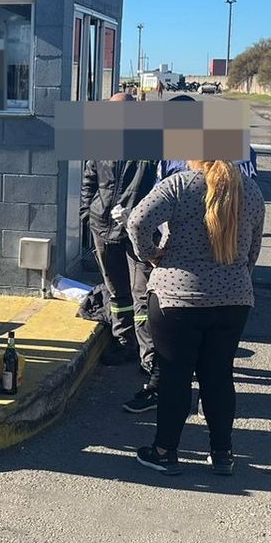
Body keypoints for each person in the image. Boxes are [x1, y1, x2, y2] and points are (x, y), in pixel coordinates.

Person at [126, 158, 266, 475]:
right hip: (233, 300)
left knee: (175, 377)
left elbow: (136, 222)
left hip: (177, 298)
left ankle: (164, 451)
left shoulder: (179, 185)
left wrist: (150, 254)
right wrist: (237, 277)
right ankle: (222, 453)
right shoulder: (252, 191)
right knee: (218, 376)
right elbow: (253, 247)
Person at [79, 92, 157, 380]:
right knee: (116, 291)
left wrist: (138, 215)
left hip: (136, 229)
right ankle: (123, 342)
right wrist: (88, 213)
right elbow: (89, 178)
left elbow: (161, 184)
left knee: (142, 294)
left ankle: (148, 356)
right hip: (103, 227)